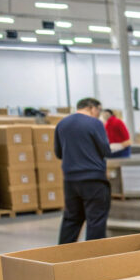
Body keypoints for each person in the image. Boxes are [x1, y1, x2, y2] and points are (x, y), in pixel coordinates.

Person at [55, 97, 112, 243]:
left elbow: (58, 153)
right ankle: (93, 254)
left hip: (70, 181)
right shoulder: (95, 123)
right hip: (93, 180)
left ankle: (63, 253)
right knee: (96, 220)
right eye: (98, 110)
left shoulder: (62, 124)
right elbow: (105, 150)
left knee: (71, 219)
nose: (98, 114)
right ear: (92, 108)